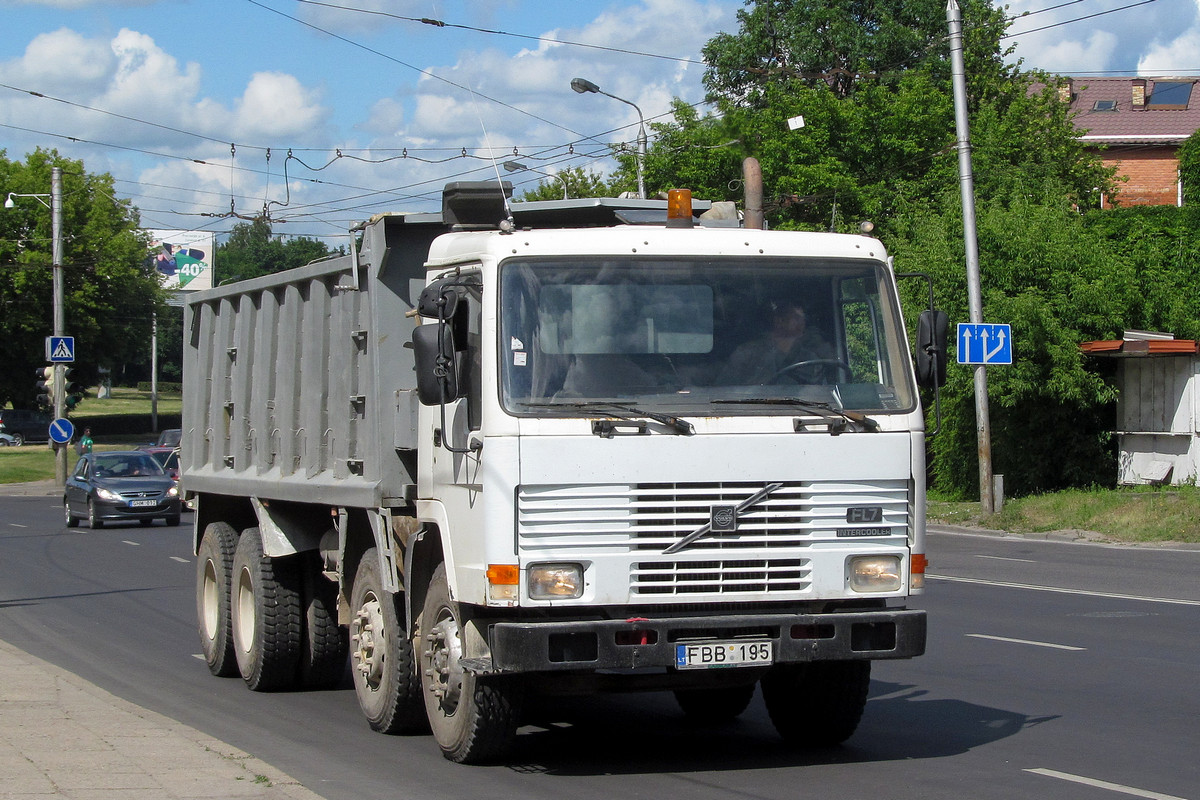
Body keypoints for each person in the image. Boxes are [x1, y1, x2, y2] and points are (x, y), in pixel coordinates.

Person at [721, 299, 835, 385]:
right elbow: (724, 390)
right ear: (779, 321)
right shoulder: (746, 354)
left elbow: (820, 395)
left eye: (803, 318)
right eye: (796, 318)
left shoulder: (810, 359)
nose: (802, 322)